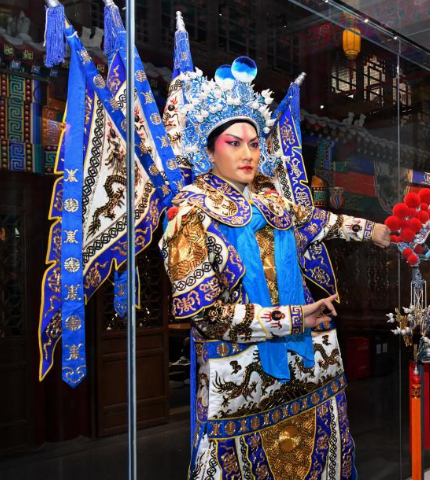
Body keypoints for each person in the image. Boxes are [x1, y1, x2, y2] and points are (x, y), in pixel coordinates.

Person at [160, 58, 391, 479]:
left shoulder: (273, 202)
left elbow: (320, 221)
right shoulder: (191, 215)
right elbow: (207, 317)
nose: (248, 154)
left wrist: (375, 231)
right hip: (241, 375)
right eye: (234, 143)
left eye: (254, 143)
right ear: (208, 150)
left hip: (308, 364)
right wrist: (293, 318)